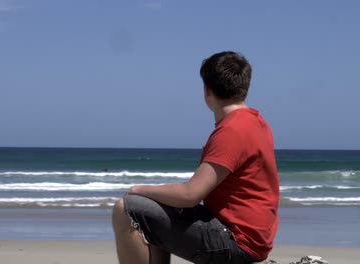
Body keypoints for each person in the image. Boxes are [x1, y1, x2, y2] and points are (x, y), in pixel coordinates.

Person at [112, 51, 279, 264]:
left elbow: (191, 194)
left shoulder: (233, 130)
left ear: (206, 89)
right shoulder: (256, 123)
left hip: (236, 242)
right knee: (150, 211)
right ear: (244, 87)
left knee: (127, 208)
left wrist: (138, 189)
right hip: (251, 239)